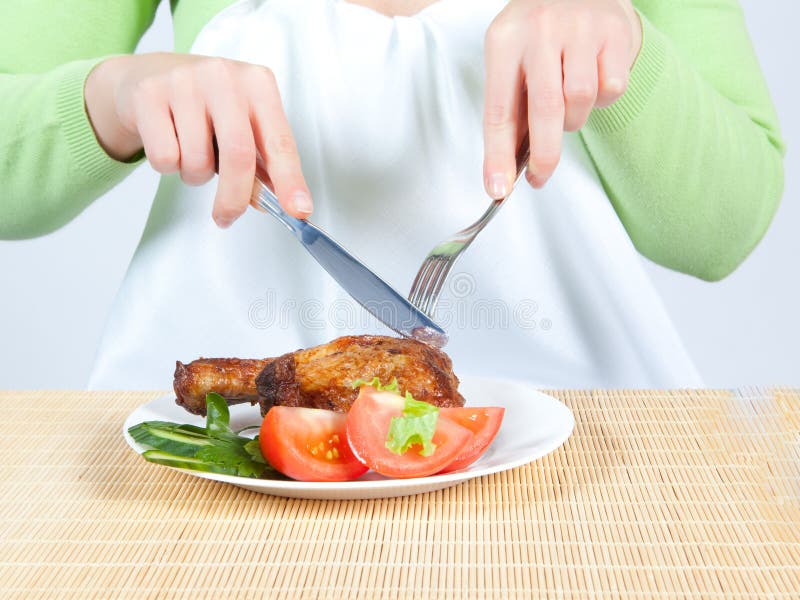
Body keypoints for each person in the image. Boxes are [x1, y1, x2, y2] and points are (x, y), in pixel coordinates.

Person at [0, 0, 785, 389]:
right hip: (215, 477)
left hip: (582, 477)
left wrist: (627, 48)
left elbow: (726, 226)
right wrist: (110, 96)